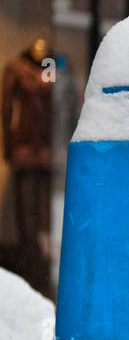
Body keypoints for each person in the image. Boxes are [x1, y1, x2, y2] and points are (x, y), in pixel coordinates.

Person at [1, 38, 54, 297]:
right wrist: (10, 147)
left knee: (42, 214)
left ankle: (40, 269)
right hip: (26, 148)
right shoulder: (18, 70)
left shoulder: (49, 64)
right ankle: (29, 270)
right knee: (26, 216)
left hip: (44, 150)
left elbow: (57, 104)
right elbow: (7, 108)